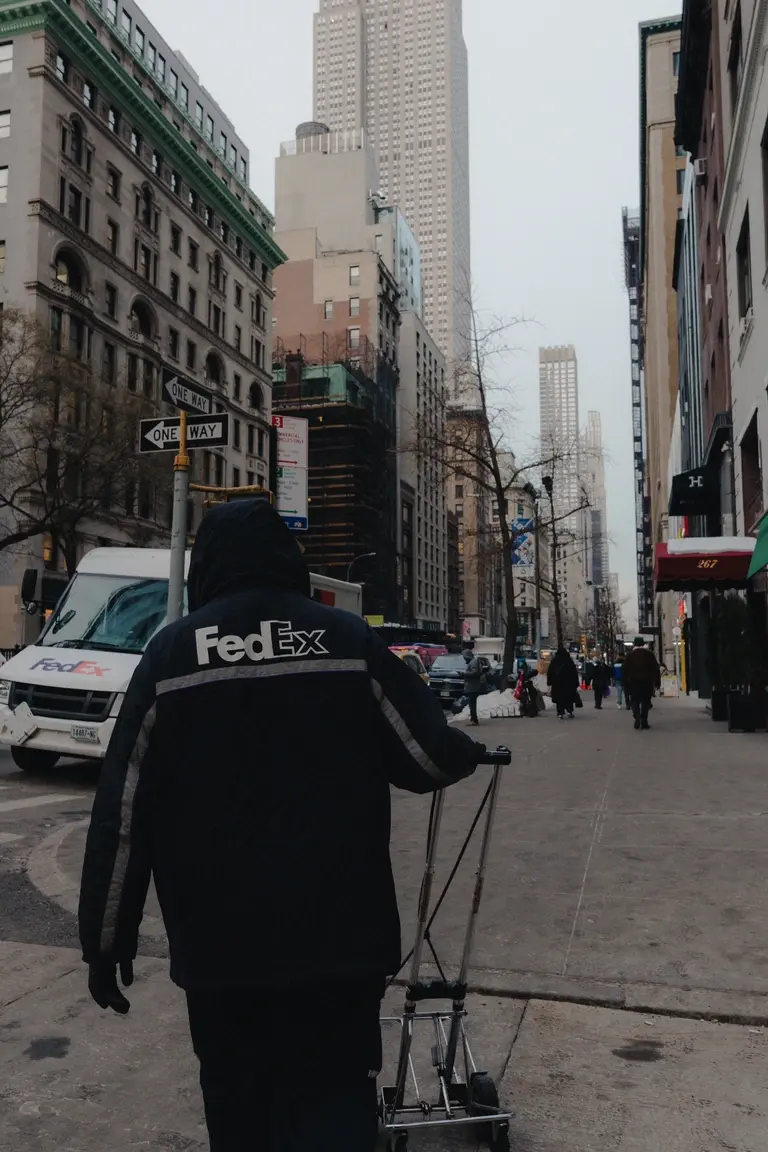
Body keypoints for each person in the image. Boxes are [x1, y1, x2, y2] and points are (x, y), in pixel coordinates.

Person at [78, 500, 487, 1152]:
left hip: (221, 956)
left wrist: (105, 941)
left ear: (204, 566)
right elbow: (424, 756)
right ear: (287, 559)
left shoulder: (168, 659)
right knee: (336, 1099)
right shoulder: (347, 641)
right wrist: (469, 752)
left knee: (238, 1108)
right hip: (339, 948)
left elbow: (123, 815)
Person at [623, 636, 662, 730]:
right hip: (647, 682)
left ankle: (637, 715)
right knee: (645, 701)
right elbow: (655, 669)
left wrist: (625, 683)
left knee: (634, 700)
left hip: (634, 682)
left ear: (634, 644)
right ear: (643, 644)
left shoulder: (629, 655)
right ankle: (644, 721)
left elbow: (625, 670)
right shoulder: (649, 655)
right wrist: (657, 682)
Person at [547, 646, 580, 719]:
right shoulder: (569, 661)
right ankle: (569, 711)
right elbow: (574, 673)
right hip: (568, 684)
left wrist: (550, 682)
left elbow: (550, 672)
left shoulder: (554, 661)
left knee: (559, 699)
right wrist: (576, 683)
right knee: (569, 698)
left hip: (557, 684)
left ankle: (560, 713)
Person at [462, 645, 485, 726]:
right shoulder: (472, 662)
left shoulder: (473, 662)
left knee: (472, 704)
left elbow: (475, 673)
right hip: (472, 686)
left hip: (473, 687)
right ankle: (473, 719)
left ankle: (474, 720)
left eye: (464, 656)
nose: (463, 658)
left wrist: (464, 674)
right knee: (472, 703)